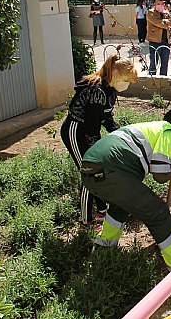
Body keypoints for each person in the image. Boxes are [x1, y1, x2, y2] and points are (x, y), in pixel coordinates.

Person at [80, 107, 171, 270]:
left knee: (121, 207)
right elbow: (159, 174)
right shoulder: (170, 132)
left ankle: (104, 248)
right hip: (111, 172)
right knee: (157, 211)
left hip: (90, 170)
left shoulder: (152, 127)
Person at [61, 54, 138, 227]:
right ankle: (86, 221)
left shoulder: (110, 89)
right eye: (127, 80)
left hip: (88, 130)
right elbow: (91, 128)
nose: (127, 85)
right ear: (117, 75)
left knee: (98, 172)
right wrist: (100, 152)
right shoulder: (97, 90)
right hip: (76, 131)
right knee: (89, 173)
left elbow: (106, 118)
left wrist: (122, 135)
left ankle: (101, 209)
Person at [147, 0, 171, 76]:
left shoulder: (166, 13)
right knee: (153, 64)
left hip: (166, 41)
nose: (160, 5)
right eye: (158, 4)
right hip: (155, 41)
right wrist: (166, 23)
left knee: (164, 64)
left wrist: (165, 22)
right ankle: (152, 80)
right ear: (155, 4)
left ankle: (163, 80)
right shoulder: (150, 12)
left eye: (162, 4)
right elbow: (157, 23)